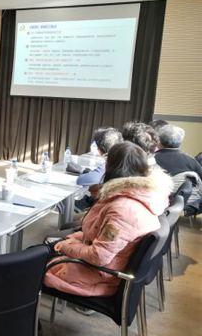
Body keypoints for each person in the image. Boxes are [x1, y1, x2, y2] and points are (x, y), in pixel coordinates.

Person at [44, 142, 171, 297]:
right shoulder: (143, 195)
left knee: (31, 261)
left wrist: (66, 245)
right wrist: (72, 240)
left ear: (111, 167)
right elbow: (96, 234)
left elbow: (98, 256)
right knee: (45, 248)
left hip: (98, 276)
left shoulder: (124, 209)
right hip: (106, 266)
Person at [155, 124, 202, 207]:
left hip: (159, 203)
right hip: (190, 203)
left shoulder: (150, 160)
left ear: (158, 141)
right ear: (180, 142)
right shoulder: (191, 161)